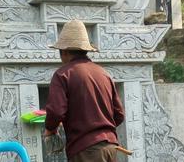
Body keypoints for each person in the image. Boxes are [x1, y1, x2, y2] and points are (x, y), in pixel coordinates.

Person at [44, 20, 125, 162]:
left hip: (86, 151)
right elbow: (119, 115)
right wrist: (100, 128)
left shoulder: (63, 74)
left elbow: (56, 112)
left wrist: (50, 129)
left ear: (64, 51)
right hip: (111, 148)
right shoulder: (104, 74)